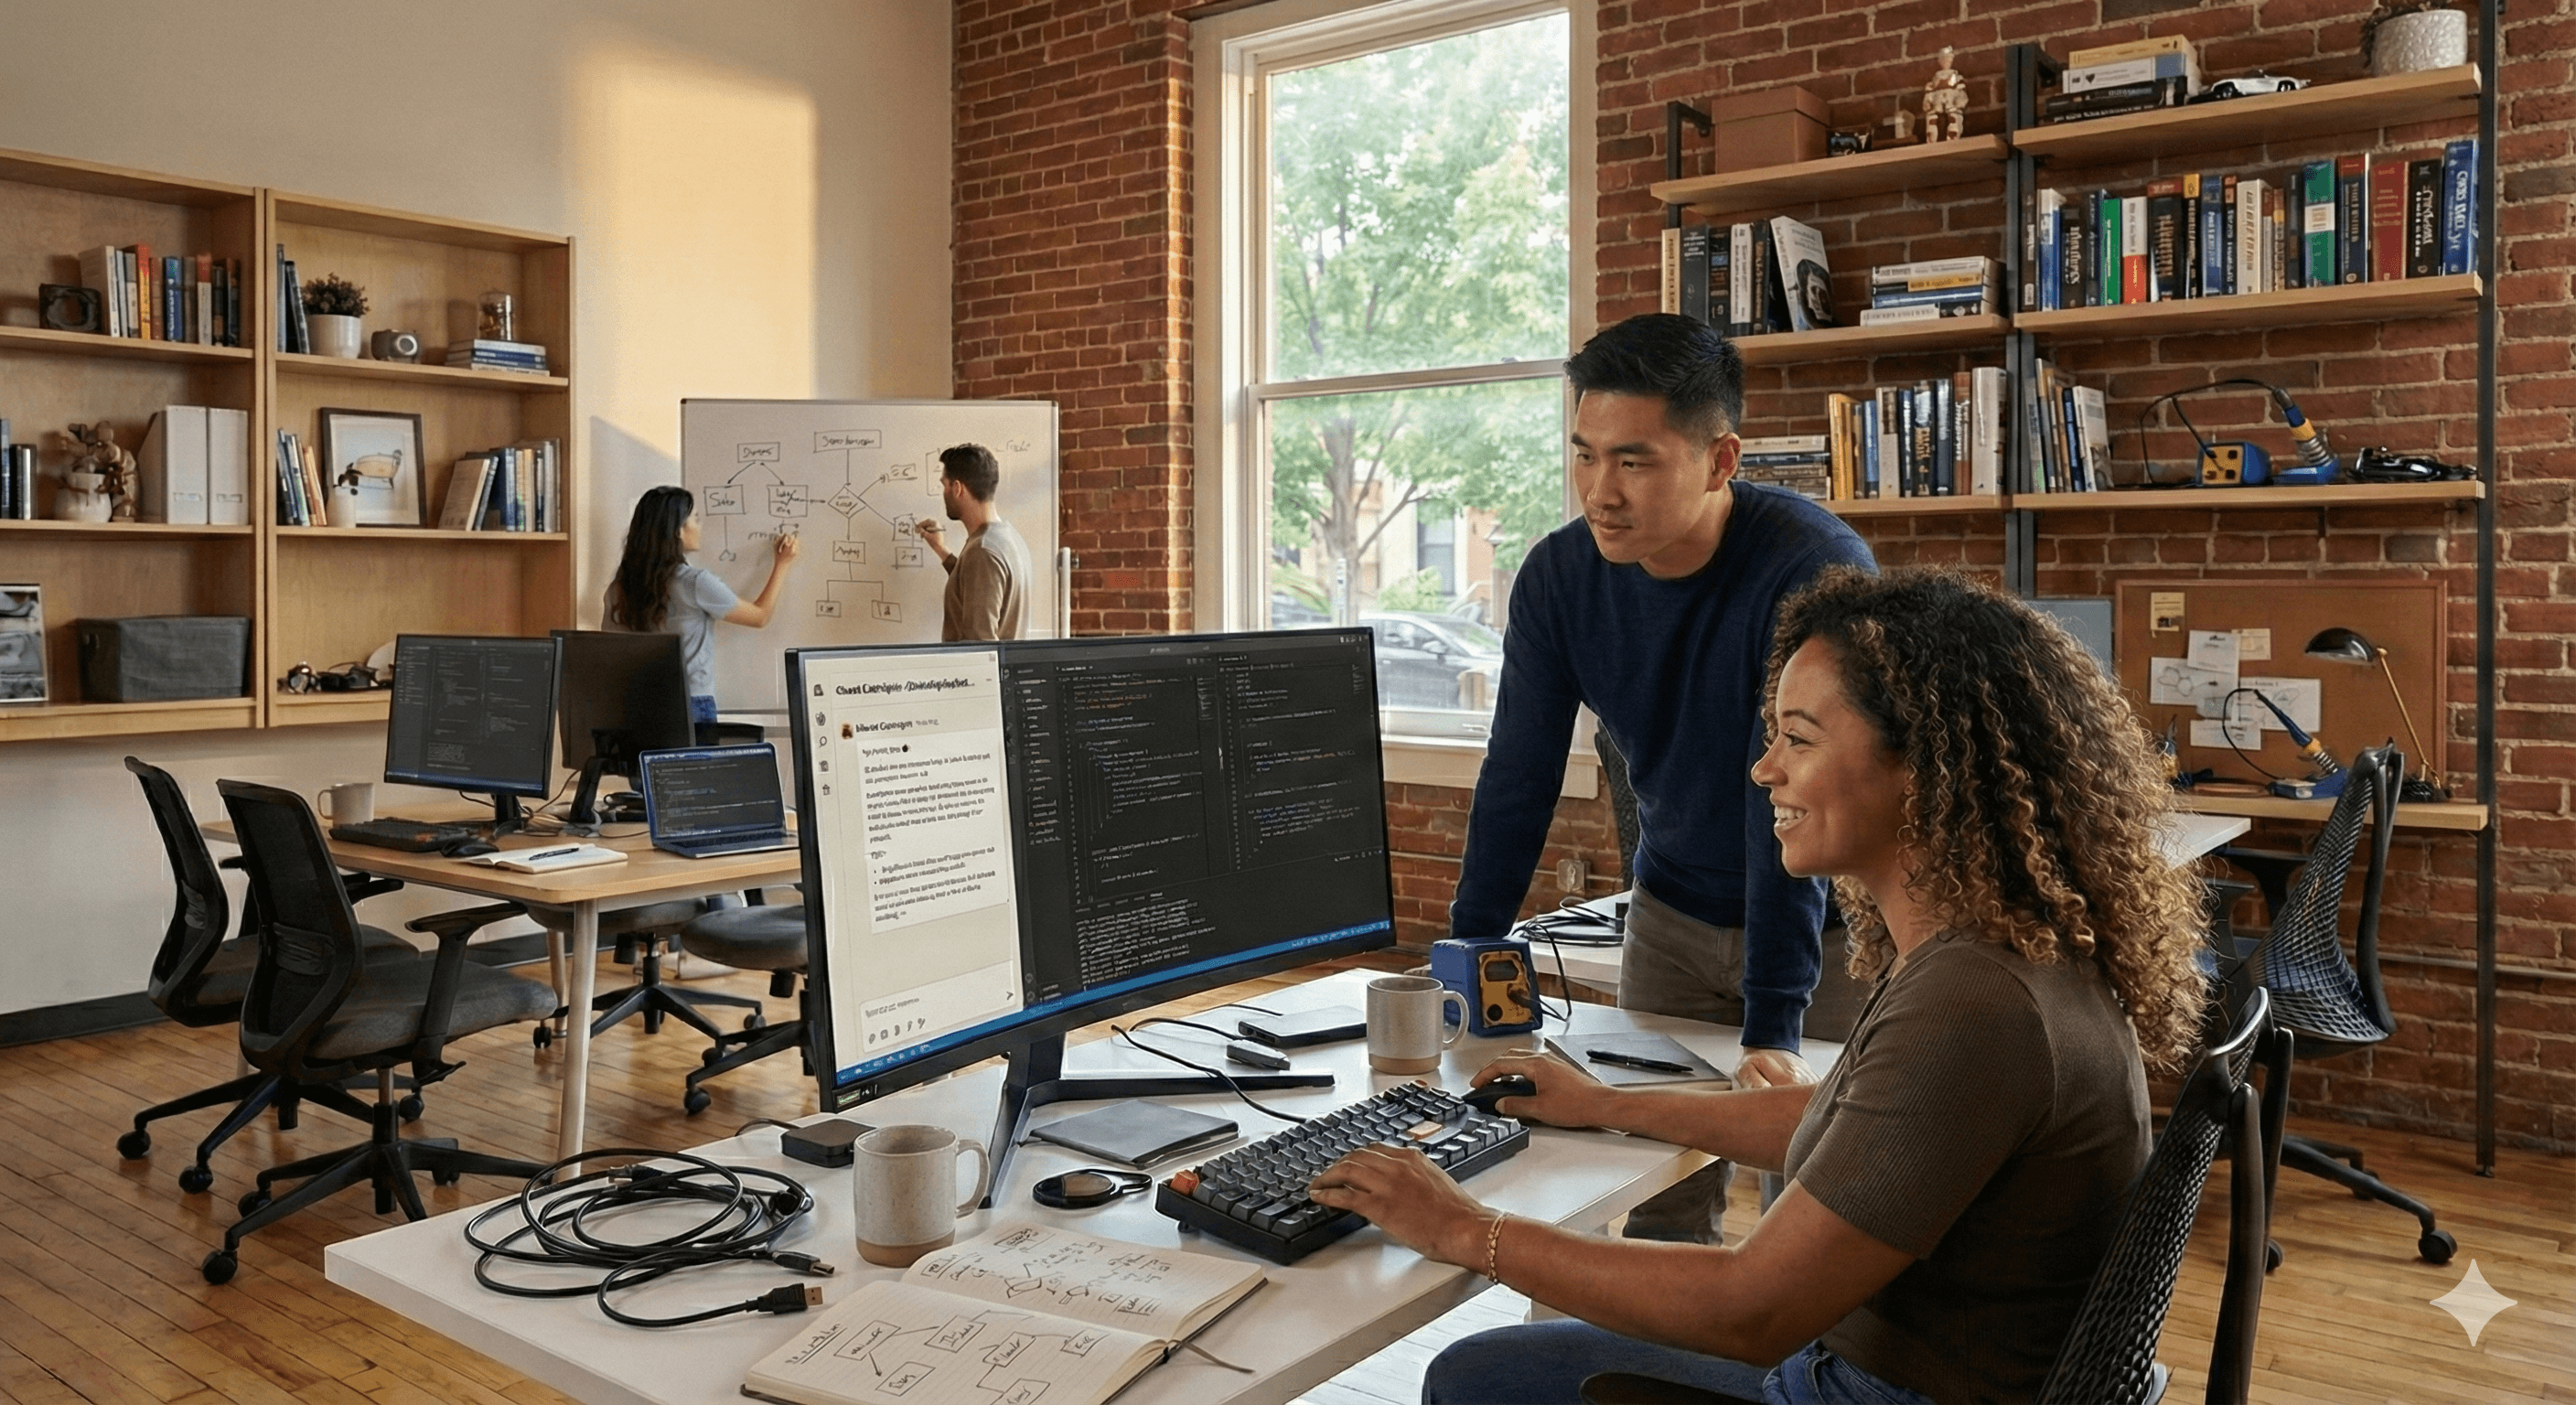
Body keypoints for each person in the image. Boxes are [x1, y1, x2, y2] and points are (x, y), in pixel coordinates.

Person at [1308, 568, 2211, 1405]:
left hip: (1883, 1390)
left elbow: (1749, 1313)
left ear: (1924, 768)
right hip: (1944, 1376)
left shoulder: (1974, 1000)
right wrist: (1606, 1105)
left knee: (1476, 1377)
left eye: (1797, 739)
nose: (1762, 767)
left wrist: (1468, 1231)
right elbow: (1853, 1122)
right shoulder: (2004, 949)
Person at [1448, 312, 1873, 1243]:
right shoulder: (1559, 579)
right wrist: (1464, 957)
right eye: (1583, 454)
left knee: (1812, 1202)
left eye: (1633, 461)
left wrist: (1773, 1020)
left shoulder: (1812, 569)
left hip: (1834, 930)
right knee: (1648, 1190)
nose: (1600, 491)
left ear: (1719, 460)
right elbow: (1516, 774)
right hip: (1672, 919)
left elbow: (1795, 797)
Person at [604, 485, 801, 735]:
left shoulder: (619, 588)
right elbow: (760, 616)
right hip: (690, 706)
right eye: (695, 519)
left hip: (637, 704)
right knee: (694, 773)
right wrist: (782, 564)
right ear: (677, 531)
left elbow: (612, 650)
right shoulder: (693, 582)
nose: (700, 526)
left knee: (646, 773)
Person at [913, 443, 1033, 640]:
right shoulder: (1008, 538)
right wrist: (941, 550)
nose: (943, 492)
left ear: (958, 488)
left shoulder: (983, 551)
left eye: (945, 485)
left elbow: (979, 645)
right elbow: (976, 589)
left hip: (979, 672)